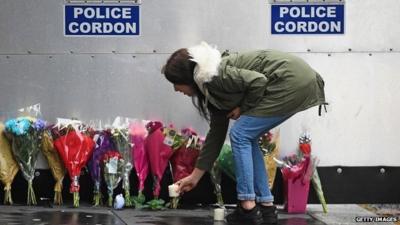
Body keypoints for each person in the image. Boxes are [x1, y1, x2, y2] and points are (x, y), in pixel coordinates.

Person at [162, 42, 326, 225]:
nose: (176, 90)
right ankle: (266, 206)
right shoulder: (211, 88)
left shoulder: (216, 75)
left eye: (176, 83)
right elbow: (216, 135)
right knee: (247, 136)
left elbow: (258, 81)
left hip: (290, 80)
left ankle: (248, 206)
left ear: (188, 77)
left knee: (240, 135)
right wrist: (195, 177)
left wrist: (243, 108)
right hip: (297, 79)